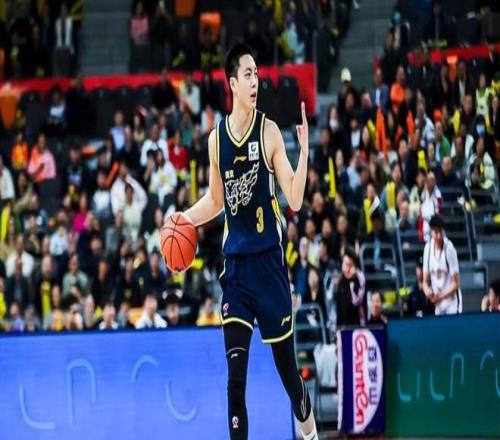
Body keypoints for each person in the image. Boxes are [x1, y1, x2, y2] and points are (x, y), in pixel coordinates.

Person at [182, 44, 317, 440]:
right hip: (237, 270)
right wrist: (182, 219)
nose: (255, 81)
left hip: (269, 266)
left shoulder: (268, 131)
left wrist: (304, 152)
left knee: (289, 377)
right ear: (232, 84)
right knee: (235, 381)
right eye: (248, 74)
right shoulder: (216, 140)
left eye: (257, 74)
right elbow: (215, 201)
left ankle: (310, 434)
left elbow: (294, 199)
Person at [422, 215, 462, 315]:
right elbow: (424, 281)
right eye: (436, 232)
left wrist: (441, 296)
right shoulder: (427, 249)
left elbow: (456, 283)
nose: (439, 236)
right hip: (438, 303)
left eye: (440, 232)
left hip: (452, 302)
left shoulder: (449, 248)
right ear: (431, 232)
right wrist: (428, 292)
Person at [335, 248, 366, 327]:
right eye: (345, 265)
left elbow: (356, 301)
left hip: (358, 327)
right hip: (343, 327)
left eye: (350, 265)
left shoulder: (359, 279)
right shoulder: (341, 283)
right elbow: (339, 310)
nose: (347, 269)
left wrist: (353, 280)